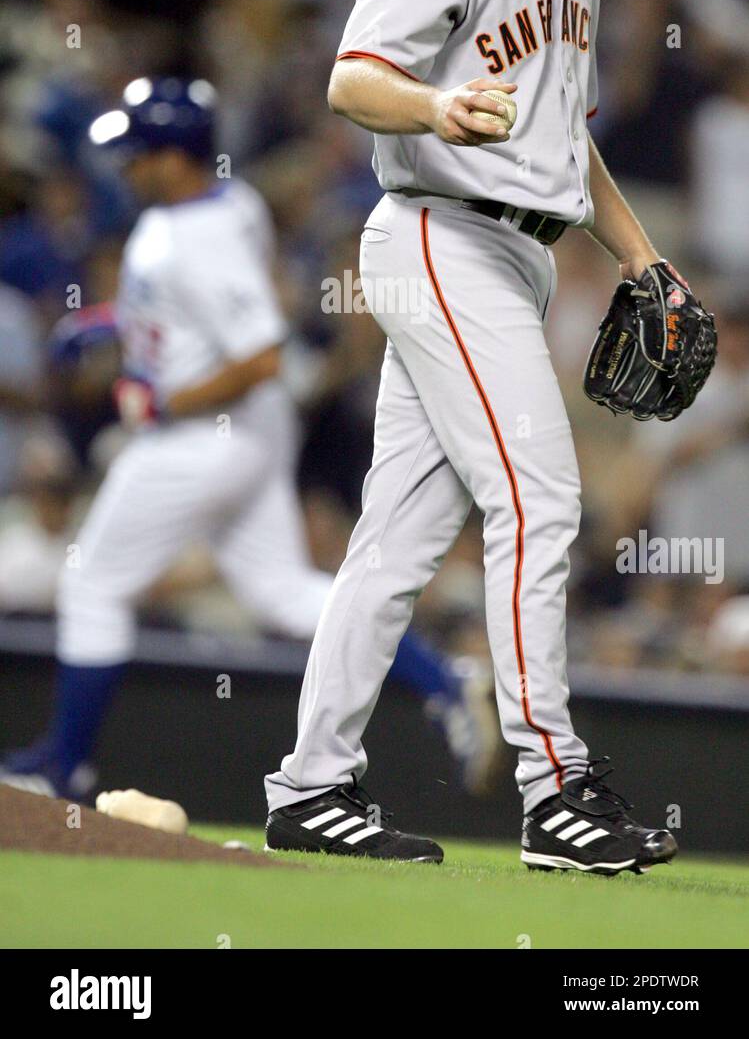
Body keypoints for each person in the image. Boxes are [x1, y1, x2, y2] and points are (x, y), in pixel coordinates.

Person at [264, 0, 680, 875]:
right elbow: (355, 77)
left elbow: (566, 133)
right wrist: (438, 110)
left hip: (515, 250)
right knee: (540, 499)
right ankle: (554, 791)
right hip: (439, 235)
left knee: (396, 540)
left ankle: (308, 785)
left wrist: (642, 256)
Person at [1, 78, 497, 799]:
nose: (127, 163)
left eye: (140, 150)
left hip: (202, 437)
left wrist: (165, 393)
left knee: (93, 584)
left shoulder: (190, 238)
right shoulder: (228, 203)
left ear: (175, 157)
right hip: (252, 437)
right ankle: (443, 679)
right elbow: (196, 307)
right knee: (284, 594)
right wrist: (113, 322)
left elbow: (260, 353)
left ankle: (63, 767)